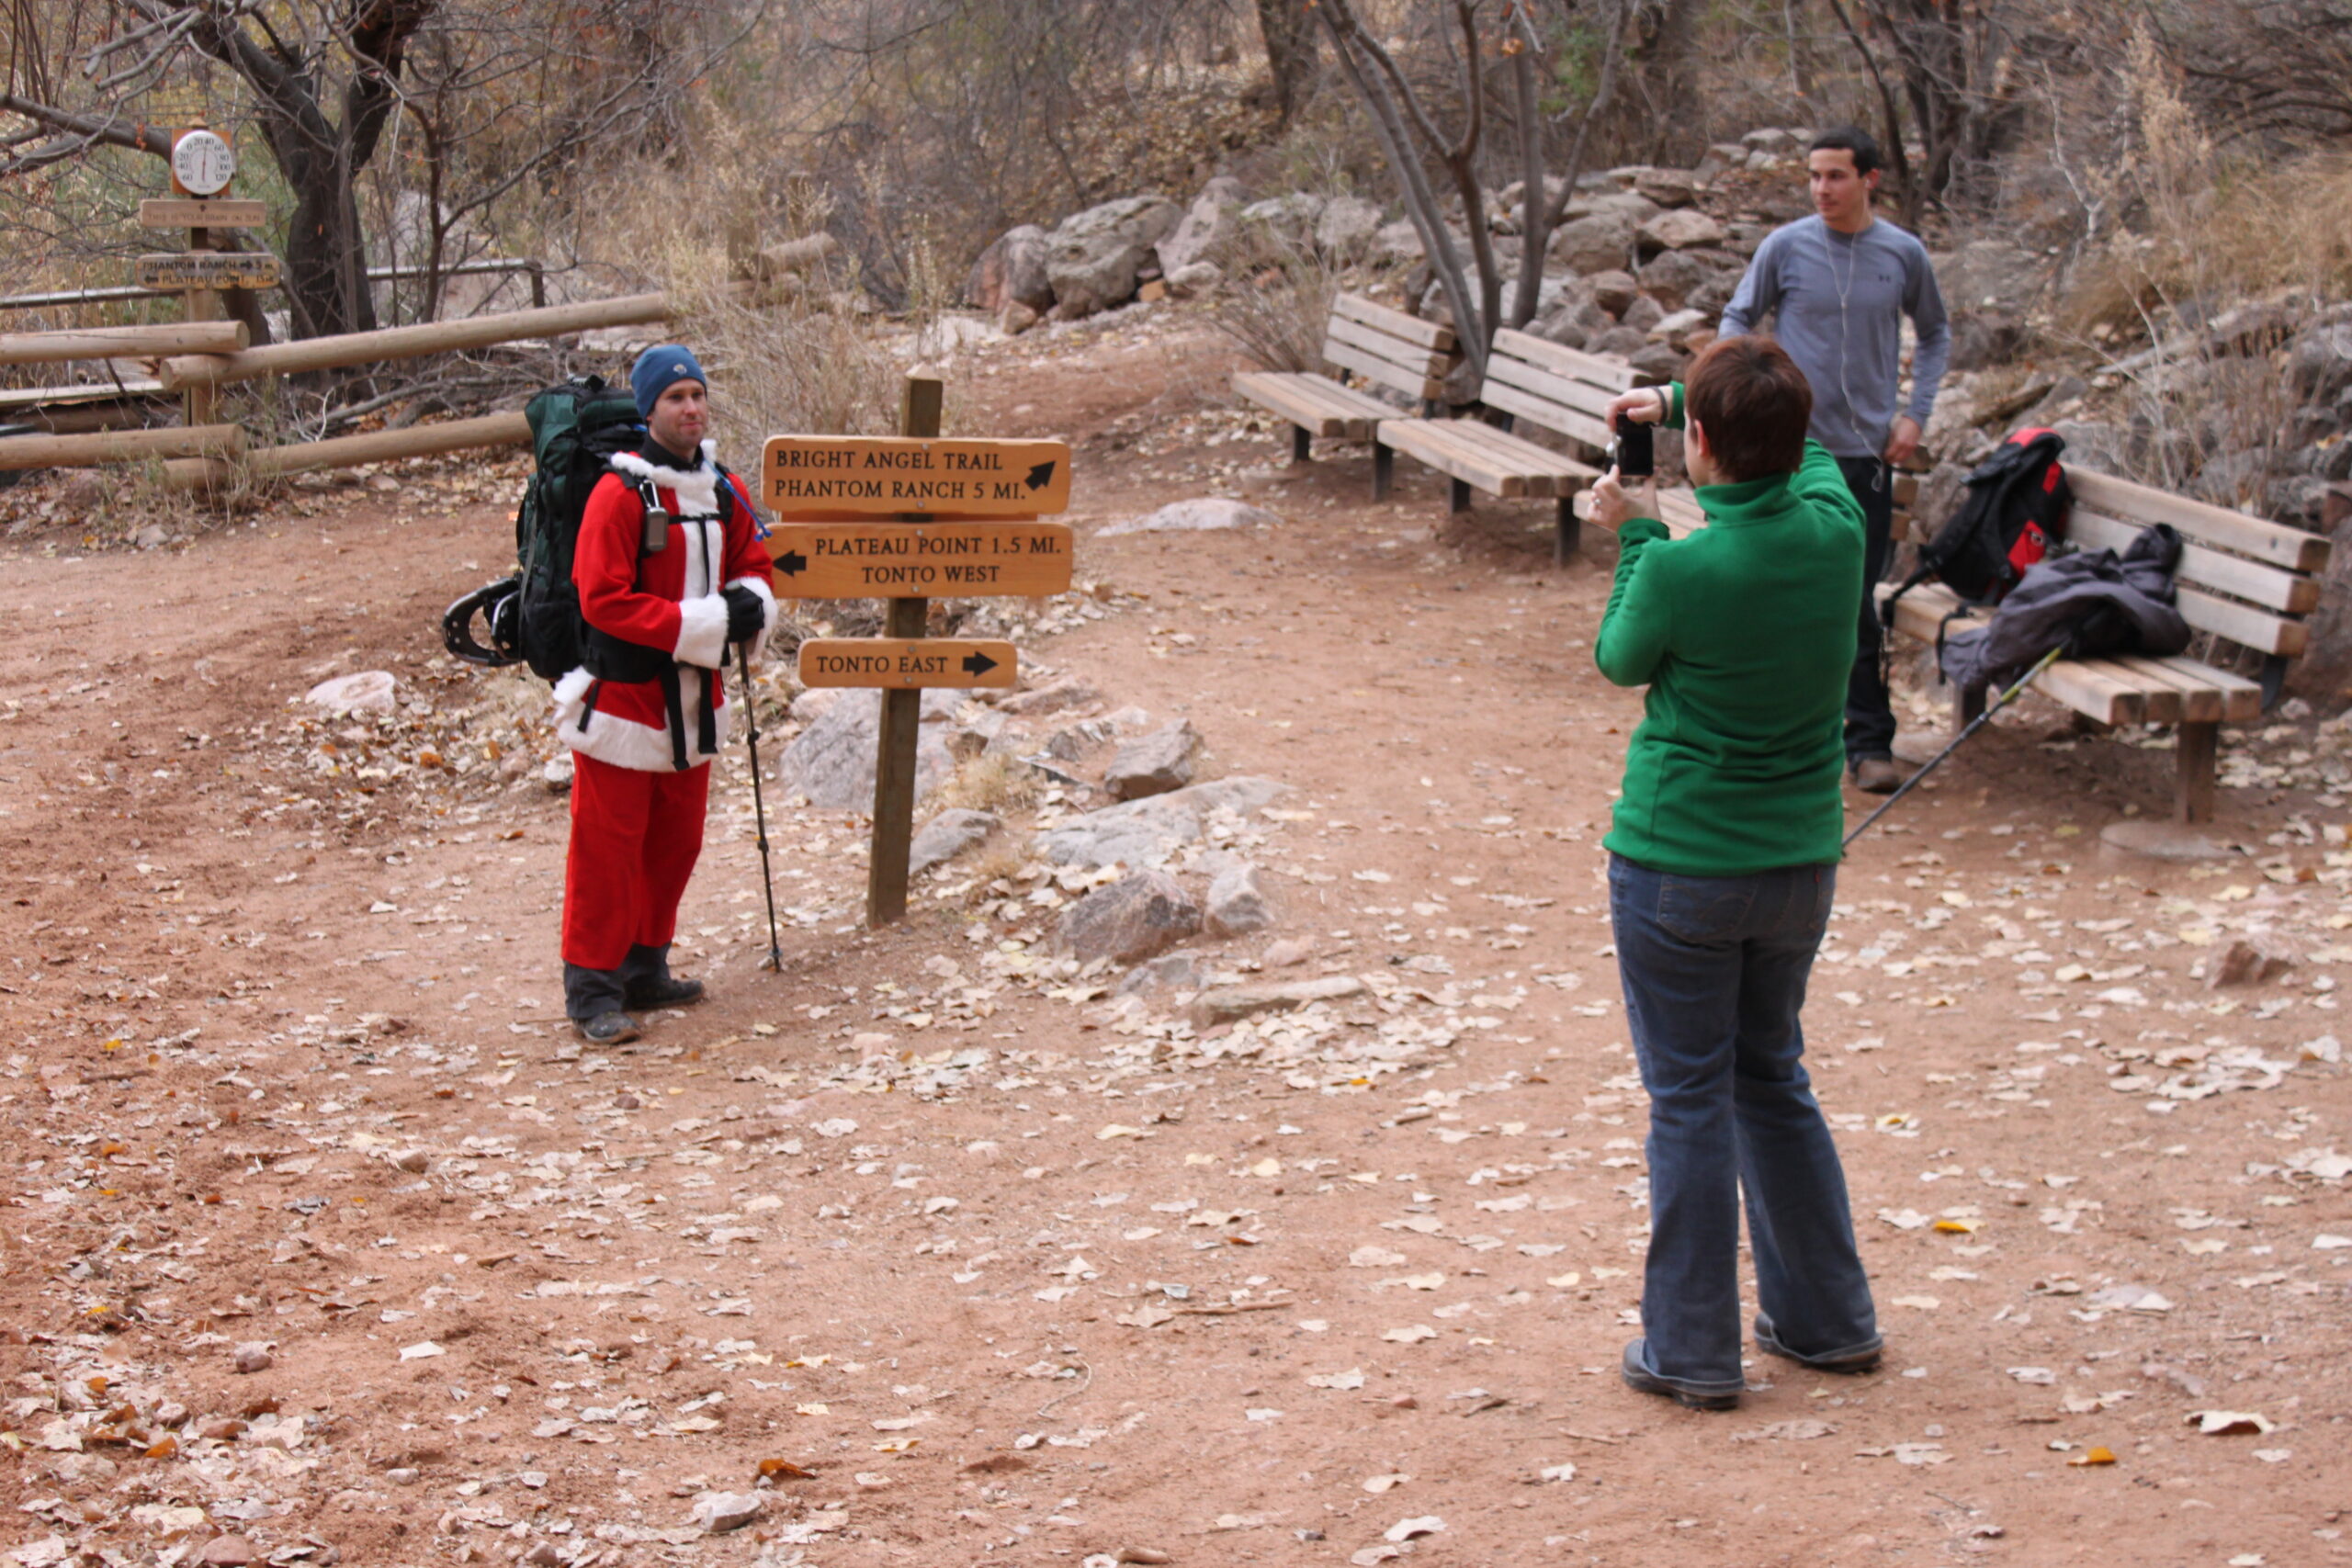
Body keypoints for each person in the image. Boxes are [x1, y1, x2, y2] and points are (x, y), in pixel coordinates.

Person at [1586, 335, 1882, 1411]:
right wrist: (1676, 399)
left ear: (1697, 444)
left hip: (1678, 866)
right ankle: (1828, 1320)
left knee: (1688, 1100)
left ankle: (1692, 1350)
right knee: (1771, 1078)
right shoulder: (1839, 529)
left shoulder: (1676, 565)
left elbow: (1620, 659)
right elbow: (1800, 437)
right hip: (1798, 864)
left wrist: (1631, 532)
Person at [553, 344, 776, 1044]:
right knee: (607, 848)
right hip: (623, 704)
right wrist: (709, 623)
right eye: (675, 396)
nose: (690, 407)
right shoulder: (617, 496)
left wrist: (754, 603)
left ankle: (646, 965)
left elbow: (755, 560)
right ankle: (591, 988)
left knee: (675, 843)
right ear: (649, 408)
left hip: (693, 705)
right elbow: (603, 600)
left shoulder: (722, 489)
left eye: (697, 394)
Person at [1719, 125, 1950, 794]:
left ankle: (1868, 741)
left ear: (1869, 178)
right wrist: (1749, 394)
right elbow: (1738, 319)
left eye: (1836, 175)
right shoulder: (1785, 247)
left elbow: (1934, 333)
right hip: (1784, 455)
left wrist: (1916, 413)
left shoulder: (1901, 254)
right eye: (1814, 176)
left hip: (1863, 461)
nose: (1822, 188)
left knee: (1850, 603)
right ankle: (1764, 738)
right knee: (1765, 591)